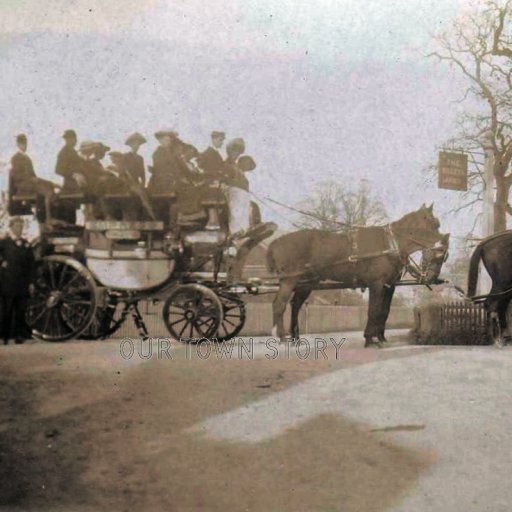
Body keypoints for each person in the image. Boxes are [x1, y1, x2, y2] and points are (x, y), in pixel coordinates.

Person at [10, 133, 59, 225]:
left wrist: (50, 183)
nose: (24, 145)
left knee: (50, 187)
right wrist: (31, 179)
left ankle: (48, 216)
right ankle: (47, 219)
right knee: (47, 192)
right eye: (22, 143)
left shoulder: (27, 158)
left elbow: (34, 176)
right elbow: (17, 176)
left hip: (31, 184)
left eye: (25, 143)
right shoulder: (15, 158)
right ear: (18, 144)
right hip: (22, 186)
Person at [0, 217, 35, 344]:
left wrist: (31, 282)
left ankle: (19, 335)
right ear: (11, 227)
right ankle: (5, 336)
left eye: (21, 226)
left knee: (21, 311)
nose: (19, 228)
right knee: (7, 311)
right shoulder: (4, 243)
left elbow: (31, 264)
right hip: (7, 282)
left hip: (22, 282)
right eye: (17, 226)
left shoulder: (26, 244)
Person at [55, 129, 84, 223]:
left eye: (72, 138)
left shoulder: (73, 152)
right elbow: (58, 169)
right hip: (70, 187)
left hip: (77, 185)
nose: (72, 141)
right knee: (69, 215)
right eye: (68, 139)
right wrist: (73, 175)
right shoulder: (64, 152)